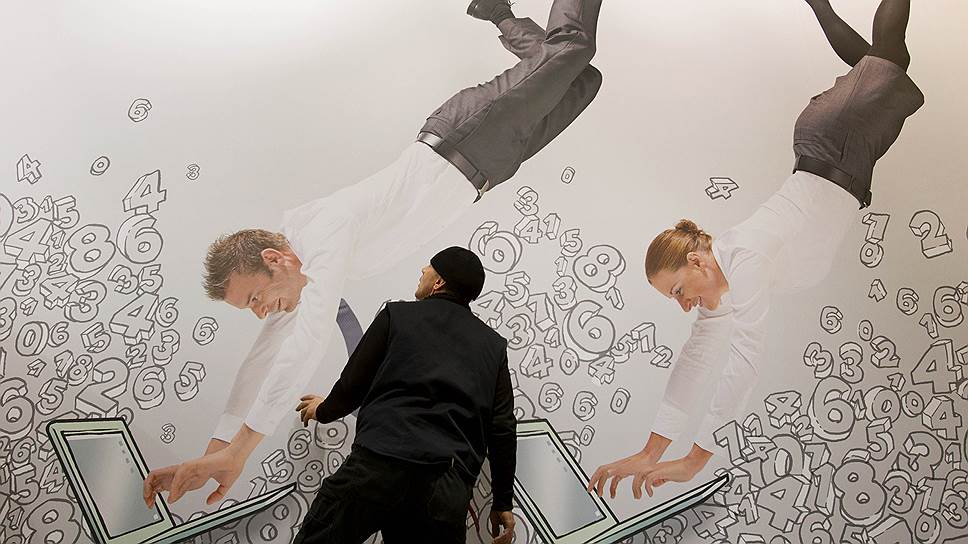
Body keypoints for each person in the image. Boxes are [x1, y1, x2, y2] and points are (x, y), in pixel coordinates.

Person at [143, 0, 602, 509]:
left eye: (254, 298)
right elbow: (261, 361)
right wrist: (215, 455)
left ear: (274, 260)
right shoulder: (301, 272)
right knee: (584, 78)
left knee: (574, 48)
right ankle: (497, 11)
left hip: (470, 134)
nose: (260, 312)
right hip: (490, 164)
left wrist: (241, 452)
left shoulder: (325, 234)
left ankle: (500, 12)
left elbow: (308, 342)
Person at [588, 0, 923, 500]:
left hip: (838, 140)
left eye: (678, 291)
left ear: (696, 260)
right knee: (883, 62)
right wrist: (652, 450)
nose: (684, 305)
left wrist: (696, 458)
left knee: (890, 58)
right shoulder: (726, 275)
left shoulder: (744, 261)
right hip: (837, 147)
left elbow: (744, 361)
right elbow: (696, 361)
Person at [292, 246, 515, 544]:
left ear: (439, 282)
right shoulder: (493, 346)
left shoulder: (396, 316)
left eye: (430, 267)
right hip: (444, 484)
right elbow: (502, 428)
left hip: (378, 464)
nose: (423, 270)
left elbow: (353, 383)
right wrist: (502, 501)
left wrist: (323, 410)